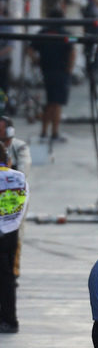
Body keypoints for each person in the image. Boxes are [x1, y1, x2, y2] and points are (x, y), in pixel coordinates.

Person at [30, 17, 75, 142]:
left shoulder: (43, 33)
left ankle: (45, 132)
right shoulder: (65, 34)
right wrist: (69, 70)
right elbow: (72, 52)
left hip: (47, 72)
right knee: (56, 103)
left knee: (52, 102)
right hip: (61, 72)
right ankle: (53, 132)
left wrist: (36, 61)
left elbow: (29, 49)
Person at [0, 144, 28, 333]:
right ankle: (10, 319)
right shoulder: (19, 178)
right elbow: (23, 204)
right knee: (8, 277)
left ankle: (8, 320)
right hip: (11, 232)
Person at [0, 115, 30, 279]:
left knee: (16, 233)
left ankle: (13, 269)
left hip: (13, 197)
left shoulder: (19, 146)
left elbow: (24, 170)